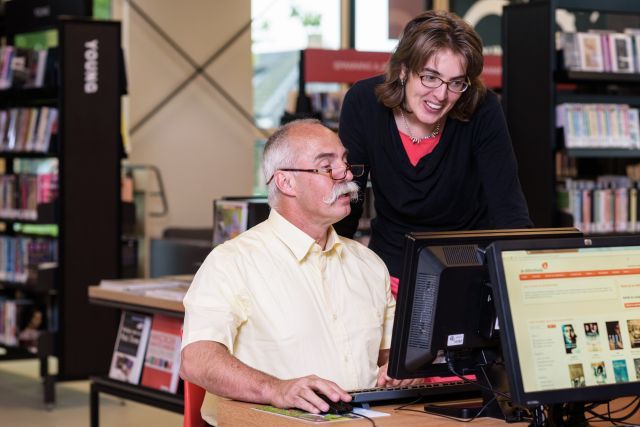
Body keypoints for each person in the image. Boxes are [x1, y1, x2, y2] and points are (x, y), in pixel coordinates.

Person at [180, 119, 413, 426]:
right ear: (285, 182)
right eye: (326, 166)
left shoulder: (369, 265)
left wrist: (399, 370)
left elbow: (387, 356)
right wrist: (276, 389)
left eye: (344, 162)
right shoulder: (231, 262)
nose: (345, 174)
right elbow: (196, 360)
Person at [334, 10, 532, 293]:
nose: (441, 95)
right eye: (430, 77)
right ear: (403, 70)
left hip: (465, 272)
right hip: (386, 273)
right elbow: (348, 204)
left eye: (456, 82)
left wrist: (525, 281)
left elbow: (509, 211)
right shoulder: (364, 103)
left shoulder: (482, 107)